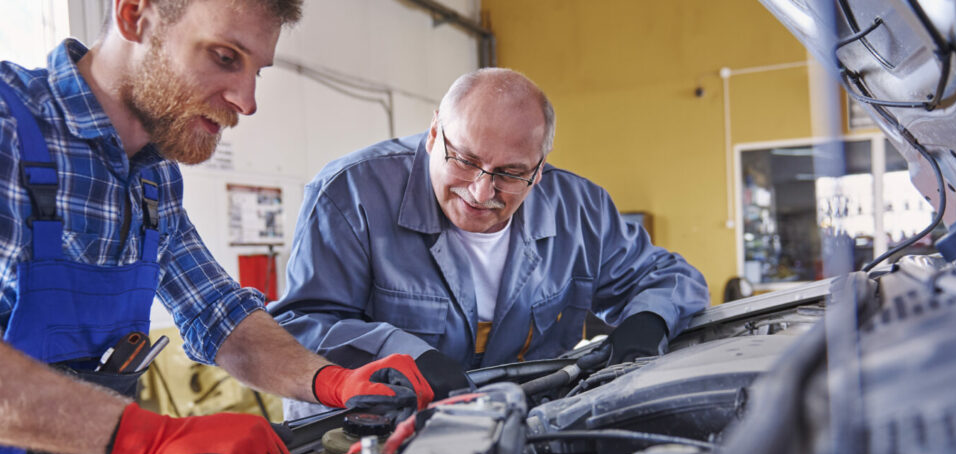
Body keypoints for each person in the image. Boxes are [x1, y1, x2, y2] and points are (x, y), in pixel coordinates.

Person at [0, 1, 437, 454]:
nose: (246, 100)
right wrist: (150, 436)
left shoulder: (153, 179)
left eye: (255, 72)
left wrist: (332, 380)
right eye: (224, 57)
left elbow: (219, 314)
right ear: (135, 15)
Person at [270, 68, 710, 419]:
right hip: (375, 433)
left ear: (539, 169)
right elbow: (302, 327)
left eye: (511, 172)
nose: (482, 192)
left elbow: (669, 277)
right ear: (433, 134)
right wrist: (400, 352)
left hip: (525, 429)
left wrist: (648, 322)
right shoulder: (350, 194)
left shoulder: (581, 210)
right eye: (465, 160)